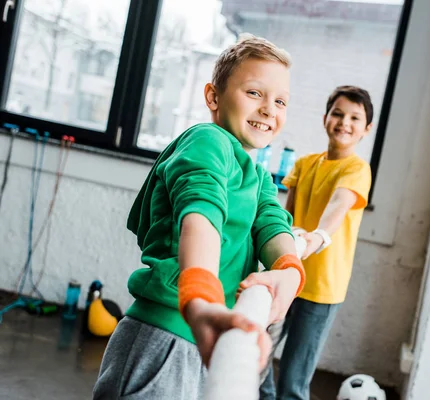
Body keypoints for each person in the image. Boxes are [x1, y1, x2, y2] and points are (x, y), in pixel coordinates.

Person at [93, 34, 306, 400]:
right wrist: (201, 302)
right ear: (213, 97)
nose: (270, 109)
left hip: (207, 332)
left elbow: (271, 222)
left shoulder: (255, 174)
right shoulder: (208, 141)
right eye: (255, 93)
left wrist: (289, 270)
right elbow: (201, 214)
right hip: (168, 332)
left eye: (281, 101)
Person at [260, 86, 374, 400]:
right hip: (288, 274)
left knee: (294, 380)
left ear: (367, 129)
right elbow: (288, 215)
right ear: (325, 118)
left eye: (354, 117)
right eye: (337, 113)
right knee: (256, 355)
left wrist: (318, 237)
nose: (344, 122)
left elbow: (339, 205)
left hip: (322, 288)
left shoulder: (357, 169)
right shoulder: (305, 164)